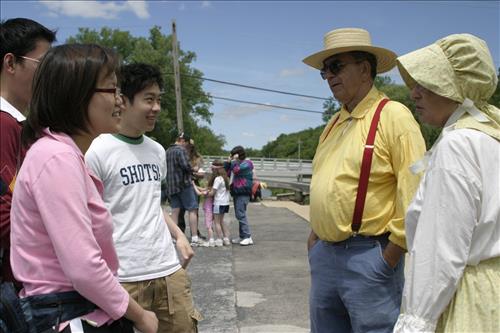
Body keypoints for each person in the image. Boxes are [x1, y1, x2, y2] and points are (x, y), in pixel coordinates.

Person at [10, 44, 157, 333]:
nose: (120, 102)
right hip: (67, 313)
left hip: (77, 308)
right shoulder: (57, 158)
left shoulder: (64, 154)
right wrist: (140, 315)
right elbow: (84, 268)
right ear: (76, 94)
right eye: (112, 90)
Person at [302, 28, 426, 332]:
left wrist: (391, 254)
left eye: (336, 66)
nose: (329, 76)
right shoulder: (333, 123)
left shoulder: (393, 116)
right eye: (324, 71)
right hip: (325, 256)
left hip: (370, 257)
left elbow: (417, 190)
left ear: (365, 69)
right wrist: (315, 238)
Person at [393, 34, 500, 333]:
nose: (414, 94)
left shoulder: (458, 144)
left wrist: (415, 322)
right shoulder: (491, 138)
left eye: (425, 84)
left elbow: (441, 251)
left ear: (456, 89)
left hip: (464, 300)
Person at [86, 62, 202, 332]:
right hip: (121, 278)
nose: (156, 108)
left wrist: (179, 235)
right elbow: (88, 217)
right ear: (123, 101)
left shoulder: (157, 151)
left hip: (167, 270)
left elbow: (150, 204)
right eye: (149, 100)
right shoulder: (97, 150)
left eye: (159, 100)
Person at [0, 17, 56, 287]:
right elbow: (5, 216)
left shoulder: (19, 124)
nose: (49, 76)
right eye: (43, 66)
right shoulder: (3, 124)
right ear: (10, 63)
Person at [165, 132, 206, 246]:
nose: (186, 147)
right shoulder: (180, 150)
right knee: (192, 210)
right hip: (184, 185)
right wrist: (195, 169)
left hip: (171, 186)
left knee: (175, 212)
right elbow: (185, 166)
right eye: (186, 144)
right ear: (183, 141)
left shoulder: (167, 151)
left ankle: (174, 238)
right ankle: (194, 238)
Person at [224, 145, 254, 246]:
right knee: (239, 214)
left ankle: (247, 236)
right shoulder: (236, 163)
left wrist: (232, 161)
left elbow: (236, 170)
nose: (232, 157)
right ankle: (242, 236)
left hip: (244, 191)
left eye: (233, 155)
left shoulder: (248, 163)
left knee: (240, 214)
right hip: (237, 191)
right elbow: (226, 172)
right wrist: (228, 162)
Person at [207, 160, 231, 247]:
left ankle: (219, 239)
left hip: (218, 203)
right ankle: (226, 239)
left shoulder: (217, 179)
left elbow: (212, 193)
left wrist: (206, 193)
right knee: (221, 221)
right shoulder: (226, 178)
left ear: (216, 169)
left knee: (216, 222)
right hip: (225, 203)